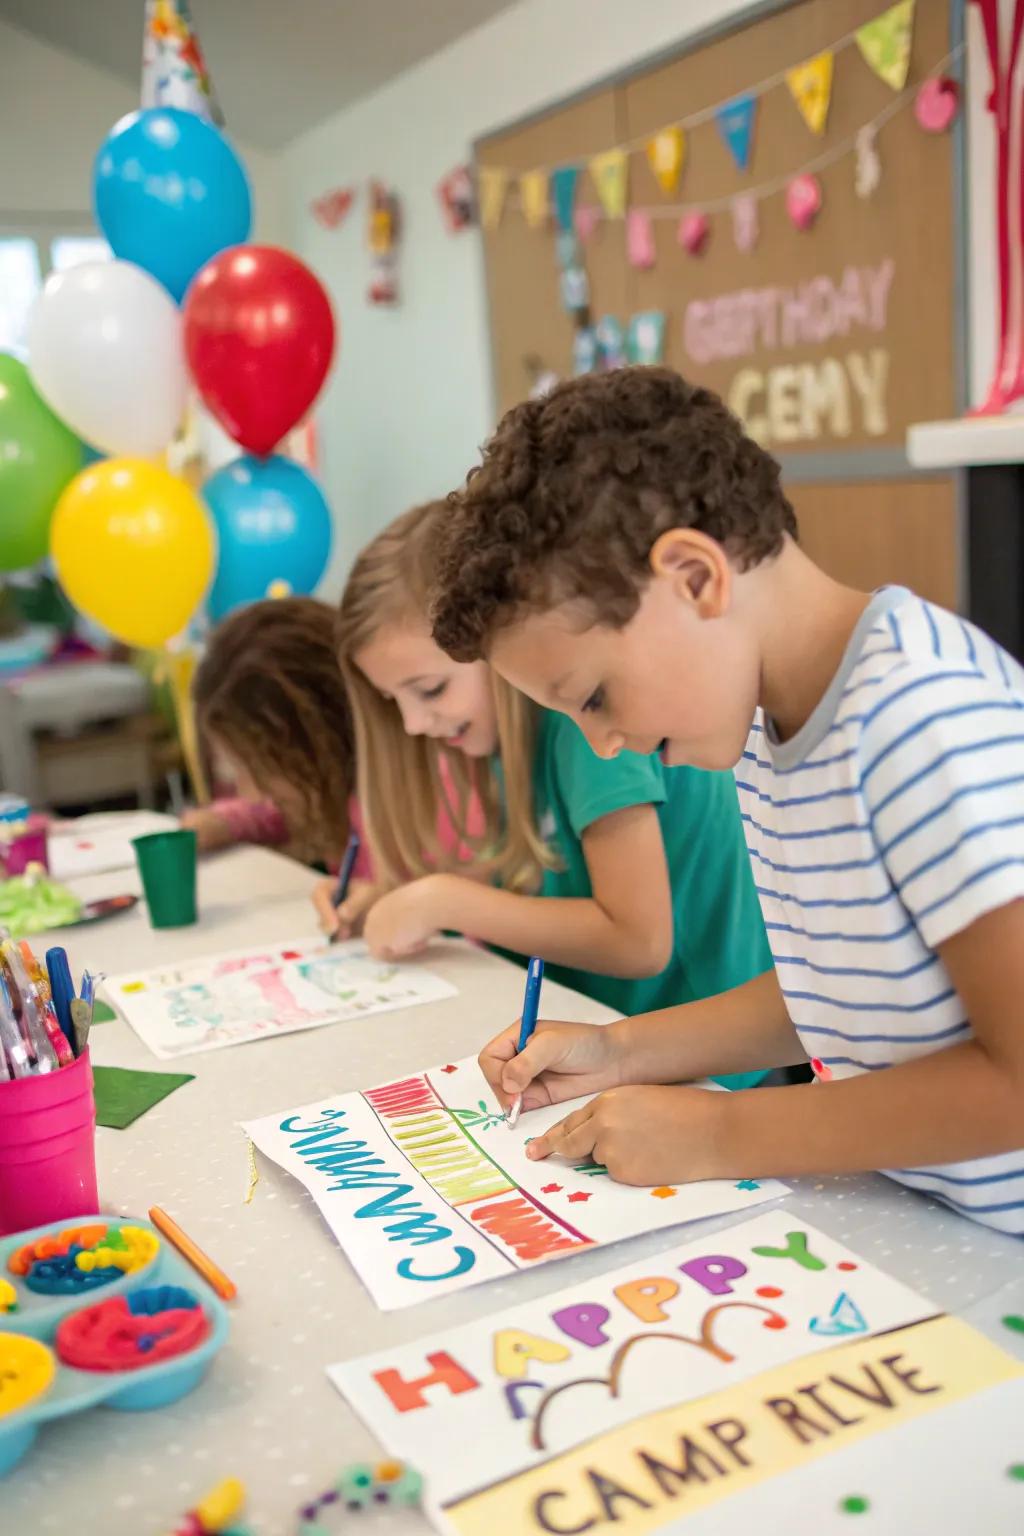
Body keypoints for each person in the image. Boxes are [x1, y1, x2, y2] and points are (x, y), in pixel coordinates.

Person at [428, 365, 1024, 1237]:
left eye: (594, 697)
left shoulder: (923, 717)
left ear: (696, 579)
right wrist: (620, 1050)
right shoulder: (758, 725)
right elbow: (842, 991)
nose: (602, 744)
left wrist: (722, 1131)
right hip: (926, 1227)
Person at [318, 500, 773, 1090]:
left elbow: (639, 941)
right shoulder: (511, 736)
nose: (412, 724)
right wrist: (405, 900)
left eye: (429, 689)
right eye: (392, 702)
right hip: (605, 1047)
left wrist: (447, 902)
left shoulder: (588, 727)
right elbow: (554, 879)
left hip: (708, 1068)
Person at [186, 598, 371, 905]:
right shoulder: (329, 790)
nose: (250, 794)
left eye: (260, 769)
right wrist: (226, 821)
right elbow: (278, 810)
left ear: (319, 742)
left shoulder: (387, 808)